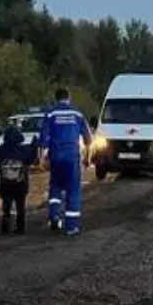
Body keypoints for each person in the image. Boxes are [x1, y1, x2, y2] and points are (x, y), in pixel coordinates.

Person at [37, 88, 93, 236]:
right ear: (69, 98)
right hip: (72, 158)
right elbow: (88, 140)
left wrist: (42, 158)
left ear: (56, 99)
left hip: (55, 157)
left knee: (55, 186)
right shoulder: (77, 114)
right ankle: (71, 227)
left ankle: (54, 217)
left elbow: (43, 138)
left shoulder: (50, 114)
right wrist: (88, 157)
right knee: (73, 190)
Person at [0, 123, 37, 235]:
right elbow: (30, 160)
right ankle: (20, 229)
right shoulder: (23, 150)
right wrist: (34, 146)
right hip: (20, 183)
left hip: (5, 184)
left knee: (6, 207)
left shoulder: (2, 150)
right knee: (20, 207)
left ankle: (5, 228)